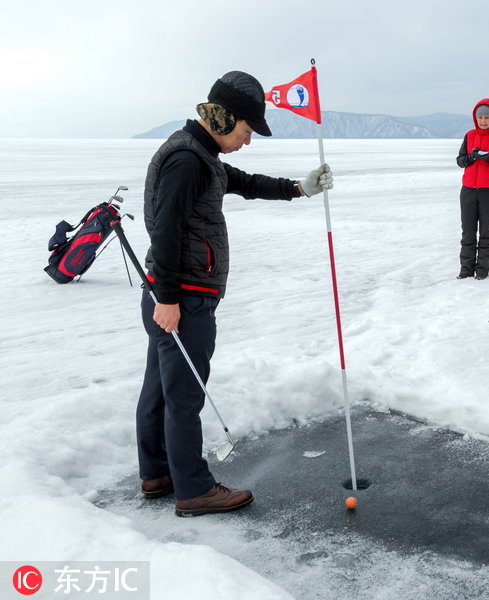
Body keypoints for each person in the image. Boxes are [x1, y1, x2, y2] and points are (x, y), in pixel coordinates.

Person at [137, 71, 333, 516]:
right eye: (246, 131)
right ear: (224, 119)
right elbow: (165, 231)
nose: (248, 141)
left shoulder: (199, 154)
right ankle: (193, 489)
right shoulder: (188, 161)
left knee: (160, 390)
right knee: (184, 395)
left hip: (172, 294)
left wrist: (299, 188)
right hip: (183, 298)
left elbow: (244, 182)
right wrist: (168, 298)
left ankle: (158, 473)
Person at [455, 98, 489, 280]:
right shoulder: (469, 136)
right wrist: (472, 157)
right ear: (475, 118)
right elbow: (460, 160)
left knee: (486, 232)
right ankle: (466, 270)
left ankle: (482, 271)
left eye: (487, 117)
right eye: (480, 117)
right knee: (468, 232)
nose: (483, 120)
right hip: (468, 191)